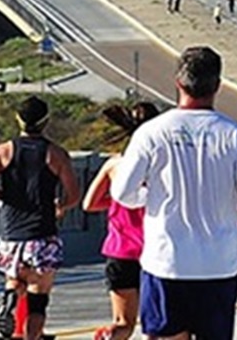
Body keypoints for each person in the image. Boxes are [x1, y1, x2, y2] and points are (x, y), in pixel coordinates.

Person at [111, 46, 237, 340]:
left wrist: (149, 200)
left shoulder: (151, 133)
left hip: (166, 262)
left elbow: (121, 191)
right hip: (219, 265)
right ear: (217, 86)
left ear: (178, 83)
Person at [0, 96, 82, 340]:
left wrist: (1, 195)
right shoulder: (56, 154)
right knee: (38, 297)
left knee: (16, 278)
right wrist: (60, 206)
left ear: (18, 120)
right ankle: (32, 336)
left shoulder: (4, 150)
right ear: (46, 122)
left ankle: (10, 299)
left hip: (10, 233)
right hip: (42, 232)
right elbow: (74, 195)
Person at [82, 102, 161, 340]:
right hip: (155, 253)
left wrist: (119, 202)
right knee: (156, 324)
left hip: (119, 252)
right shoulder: (162, 166)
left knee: (123, 323)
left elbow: (89, 204)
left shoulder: (114, 165)